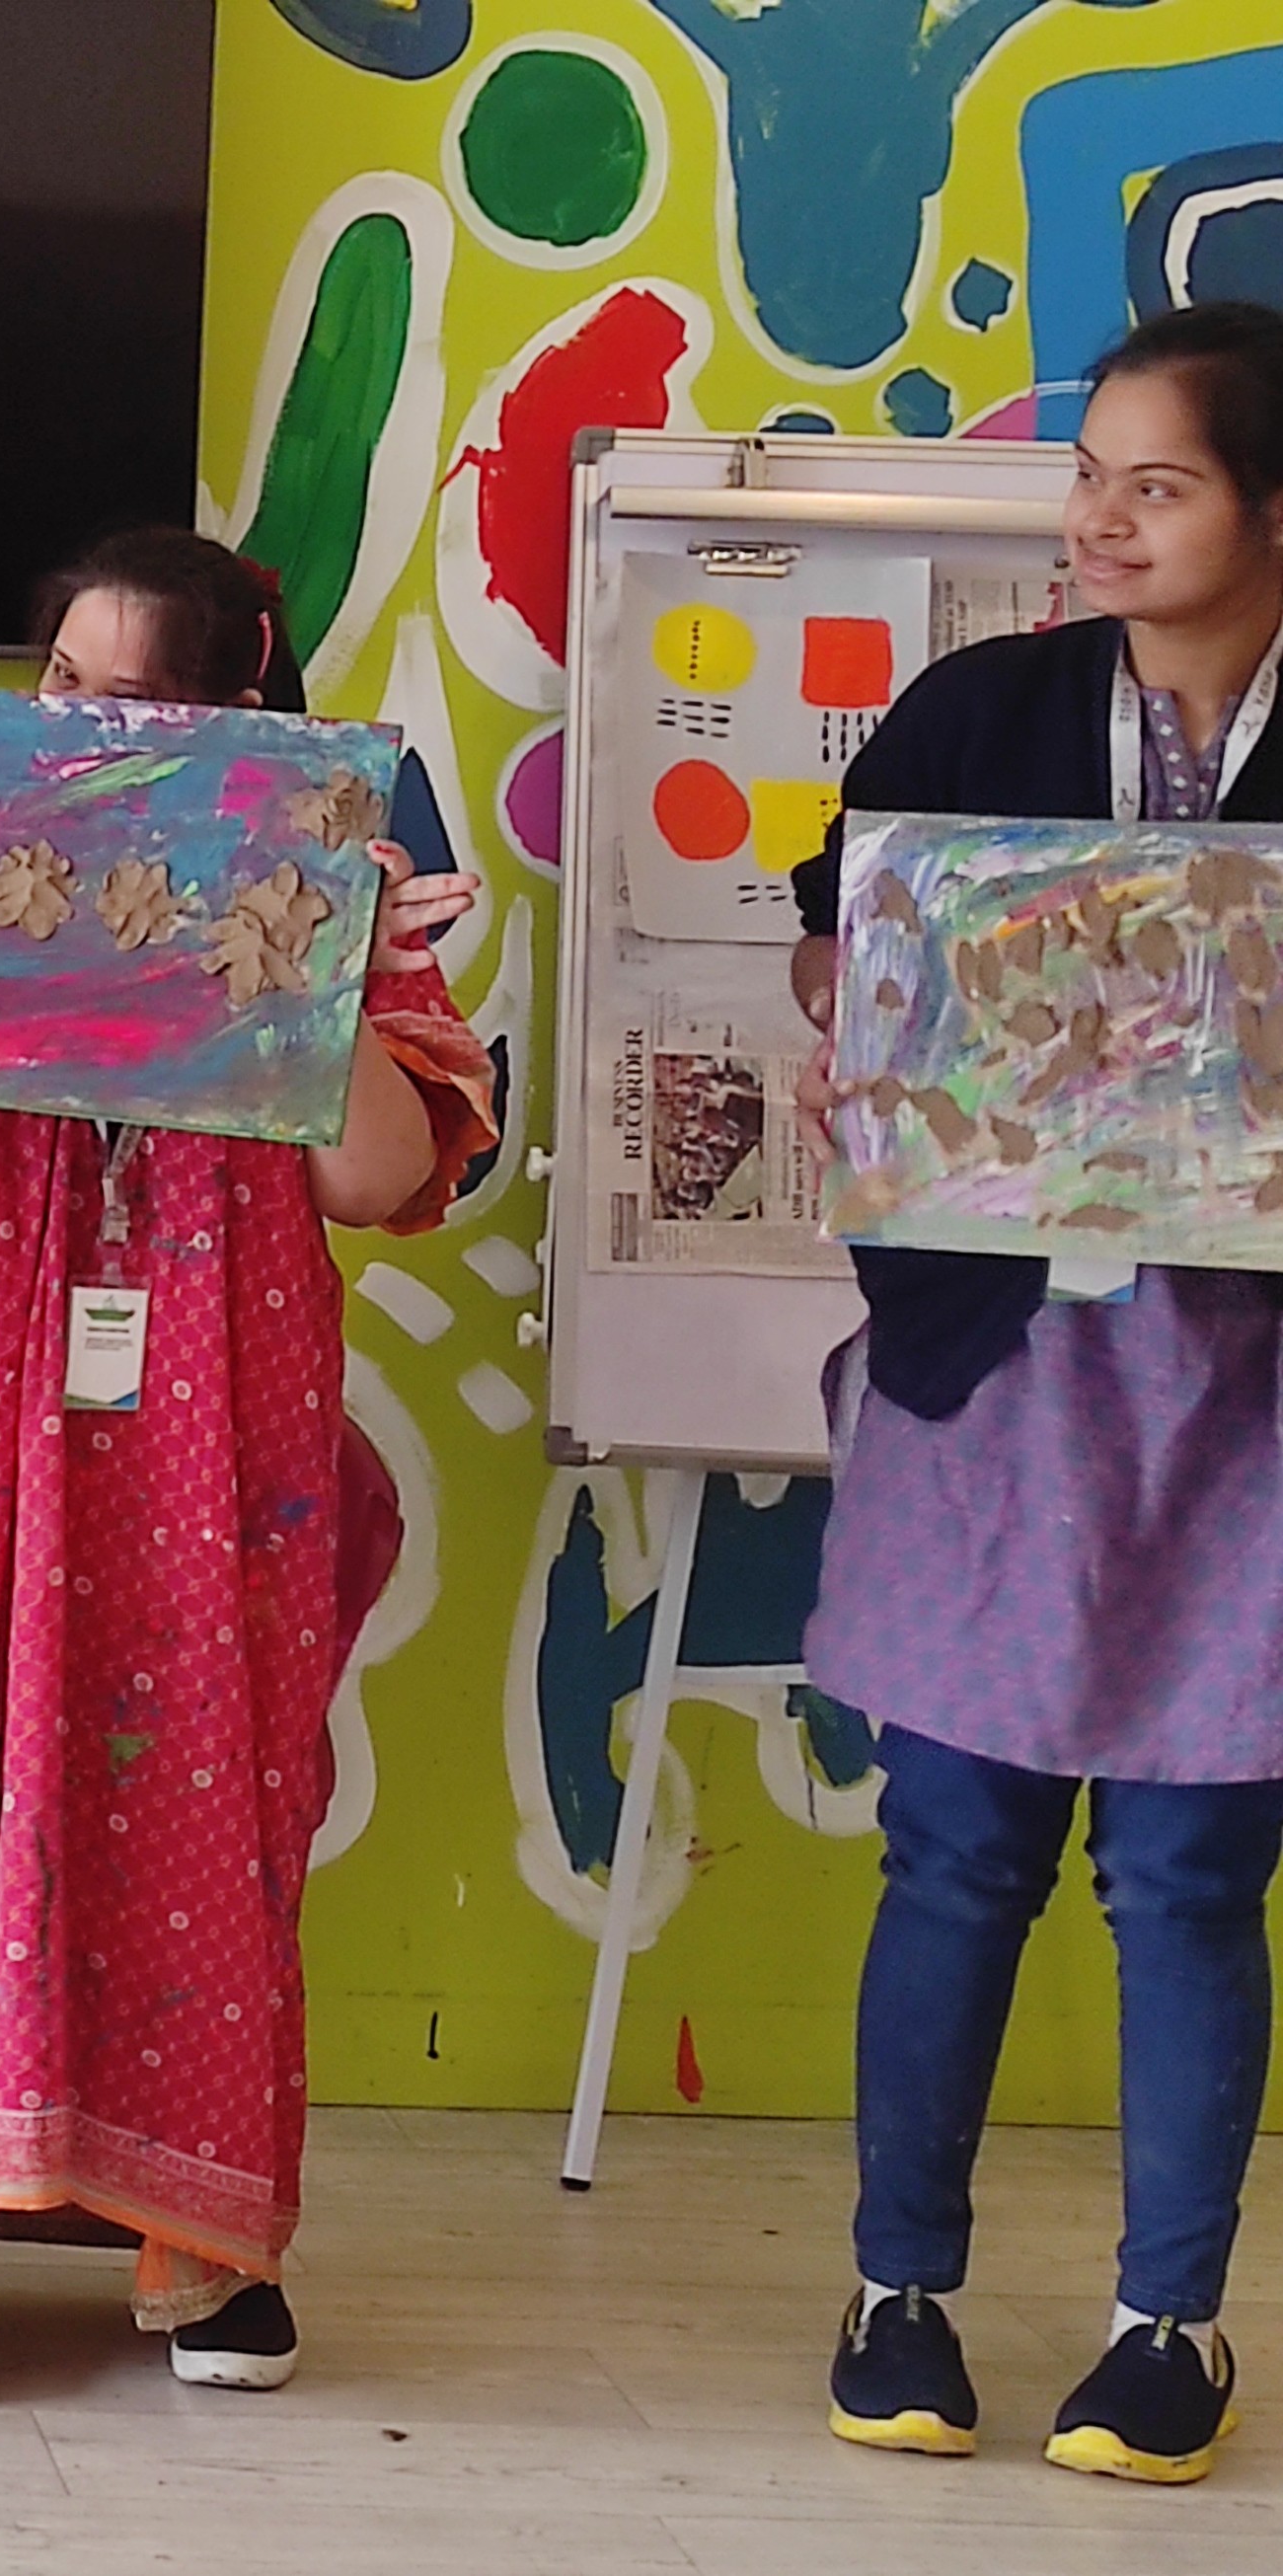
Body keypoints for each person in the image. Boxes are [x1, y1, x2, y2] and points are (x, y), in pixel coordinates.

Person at [0, 530, 491, 2399]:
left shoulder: (331, 857)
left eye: (154, 695)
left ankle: (202, 2241)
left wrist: (321, 929)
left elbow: (385, 1176)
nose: (101, 725)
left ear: (248, 697)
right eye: (71, 683)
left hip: (207, 1403)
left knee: (200, 1771)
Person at [783, 299, 1283, 2486]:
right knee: (955, 1845)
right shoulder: (973, 711)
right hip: (994, 1364)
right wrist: (861, 1014)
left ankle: (1168, 2325)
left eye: (1154, 484)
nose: (1099, 516)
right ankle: (898, 2293)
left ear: (1272, 512)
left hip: (1253, 1388)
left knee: (1187, 1869)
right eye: (1090, 475)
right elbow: (838, 949)